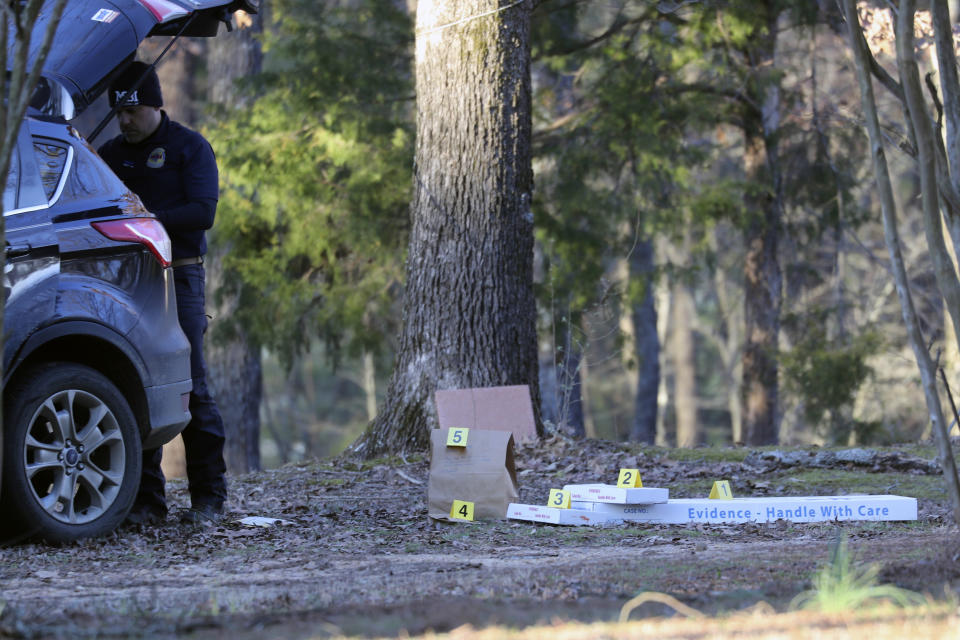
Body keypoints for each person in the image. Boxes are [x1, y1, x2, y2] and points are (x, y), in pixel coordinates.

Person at [98, 61, 227, 526]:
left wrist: (142, 221)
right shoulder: (111, 154)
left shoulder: (189, 147)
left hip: (180, 276)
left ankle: (209, 498)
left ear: (155, 104)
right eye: (119, 114)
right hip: (123, 279)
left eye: (132, 111)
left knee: (190, 384)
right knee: (135, 383)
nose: (125, 121)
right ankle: (146, 504)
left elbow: (201, 212)